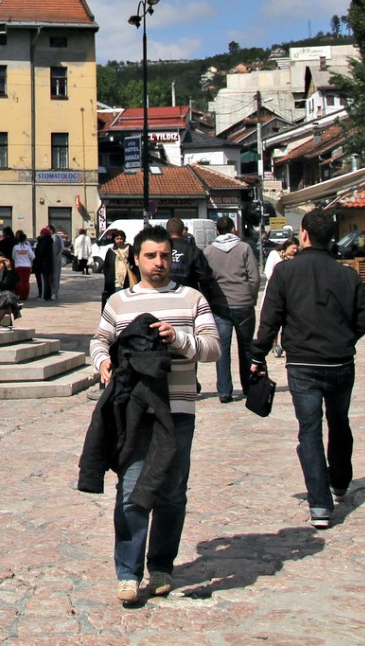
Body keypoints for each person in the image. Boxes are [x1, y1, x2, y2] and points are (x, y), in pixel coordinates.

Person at [88, 224, 221, 606]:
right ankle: (127, 573)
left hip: (178, 408)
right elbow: (99, 340)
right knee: (131, 488)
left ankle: (161, 565)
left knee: (171, 492)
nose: (159, 262)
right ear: (137, 259)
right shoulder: (119, 302)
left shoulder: (191, 299)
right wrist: (102, 364)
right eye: (151, 255)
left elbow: (213, 348)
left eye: (164, 255)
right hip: (133, 410)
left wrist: (178, 339)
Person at [249, 208, 365, 529]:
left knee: (310, 430)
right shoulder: (348, 275)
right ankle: (340, 480)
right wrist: (344, 339)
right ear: (331, 237)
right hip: (341, 362)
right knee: (339, 421)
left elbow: (270, 318)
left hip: (303, 363)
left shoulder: (285, 273)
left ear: (303, 235)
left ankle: (319, 504)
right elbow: (363, 322)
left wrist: (258, 355)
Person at [201, 216, 261, 403]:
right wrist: (251, 296)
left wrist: (211, 299)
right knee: (246, 348)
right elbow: (254, 277)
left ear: (217, 231)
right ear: (234, 229)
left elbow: (206, 279)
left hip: (220, 305)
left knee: (223, 349)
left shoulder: (209, 251)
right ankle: (248, 386)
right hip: (243, 303)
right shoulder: (244, 248)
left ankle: (224, 391)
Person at [100, 229, 130, 303]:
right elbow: (106, 266)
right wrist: (108, 277)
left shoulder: (129, 249)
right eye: (117, 239)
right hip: (114, 280)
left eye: (121, 238)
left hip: (127, 280)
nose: (119, 241)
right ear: (114, 239)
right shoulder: (111, 251)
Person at [33, 227, 57, 301]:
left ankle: (43, 296)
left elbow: (40, 253)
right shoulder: (50, 241)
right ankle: (47, 296)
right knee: (47, 281)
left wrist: (36, 263)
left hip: (42, 265)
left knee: (42, 282)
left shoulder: (43, 242)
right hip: (48, 265)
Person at [9, 230, 34, 300]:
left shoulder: (15, 247)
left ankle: (19, 295)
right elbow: (33, 256)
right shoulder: (28, 247)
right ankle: (25, 296)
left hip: (18, 266)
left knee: (19, 281)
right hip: (27, 266)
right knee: (26, 281)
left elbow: (13, 256)